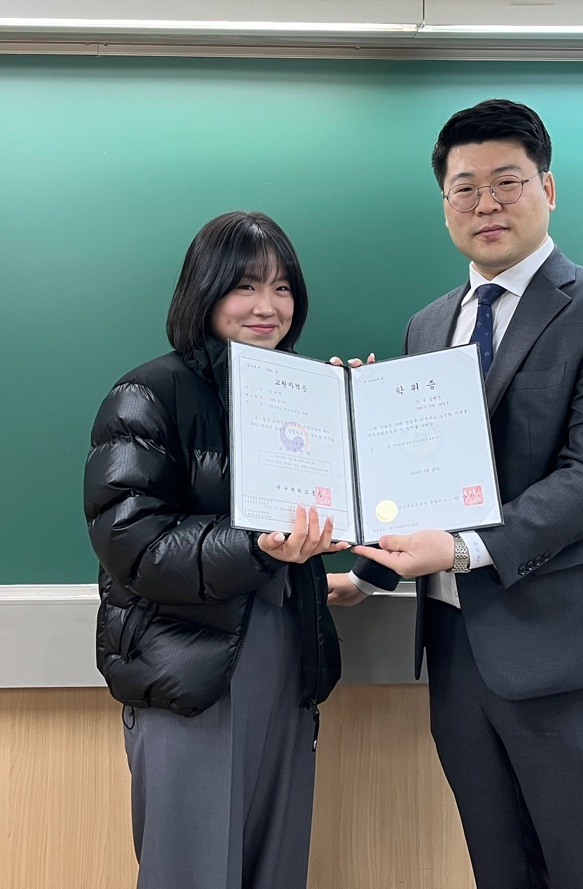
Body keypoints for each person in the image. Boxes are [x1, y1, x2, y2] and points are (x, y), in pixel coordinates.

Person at [332, 99, 583, 889]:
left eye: (507, 182)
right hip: (457, 647)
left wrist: (460, 547)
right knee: (499, 867)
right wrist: (370, 571)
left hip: (567, 645)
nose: (486, 203)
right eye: (465, 188)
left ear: (547, 188)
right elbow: (426, 478)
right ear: (444, 203)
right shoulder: (428, 325)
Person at [85, 210, 346, 889]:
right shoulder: (148, 394)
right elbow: (134, 546)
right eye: (245, 286)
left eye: (282, 287)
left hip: (289, 655)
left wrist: (359, 419)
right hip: (192, 670)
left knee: (275, 869)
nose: (267, 306)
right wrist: (257, 545)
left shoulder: (306, 393)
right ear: (204, 291)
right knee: (193, 871)